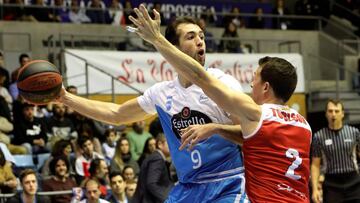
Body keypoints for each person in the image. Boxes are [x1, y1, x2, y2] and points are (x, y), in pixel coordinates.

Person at [56, 7, 246, 203]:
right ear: (174, 47)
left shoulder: (223, 83)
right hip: (188, 188)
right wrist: (65, 98)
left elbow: (249, 134)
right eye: (190, 37)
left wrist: (216, 129)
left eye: (202, 36)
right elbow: (116, 113)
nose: (200, 41)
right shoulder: (162, 93)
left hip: (226, 183)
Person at [128, 4, 312, 202]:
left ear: (266, 87)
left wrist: (156, 38)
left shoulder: (256, 115)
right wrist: (216, 128)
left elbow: (201, 78)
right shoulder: (304, 125)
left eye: (255, 78)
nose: (250, 84)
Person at [311, 99, 360, 203]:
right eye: (330, 111)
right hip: (331, 184)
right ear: (326, 114)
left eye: (337, 111)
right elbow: (315, 165)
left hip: (354, 182)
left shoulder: (354, 132)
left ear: (342, 114)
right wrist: (315, 189)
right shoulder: (318, 136)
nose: (333, 114)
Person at [132, 134, 174, 203]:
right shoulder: (157, 158)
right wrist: (167, 200)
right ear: (160, 144)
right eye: (169, 142)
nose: (172, 145)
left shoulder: (155, 157)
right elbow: (151, 184)